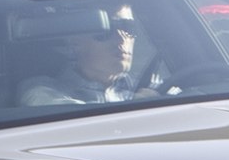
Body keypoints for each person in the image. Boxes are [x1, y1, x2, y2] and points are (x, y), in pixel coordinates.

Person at [17, 21, 150, 106]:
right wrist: (133, 106)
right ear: (74, 43)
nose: (122, 40)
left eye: (127, 29)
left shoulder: (147, 84)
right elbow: (69, 123)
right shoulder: (40, 89)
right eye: (106, 31)